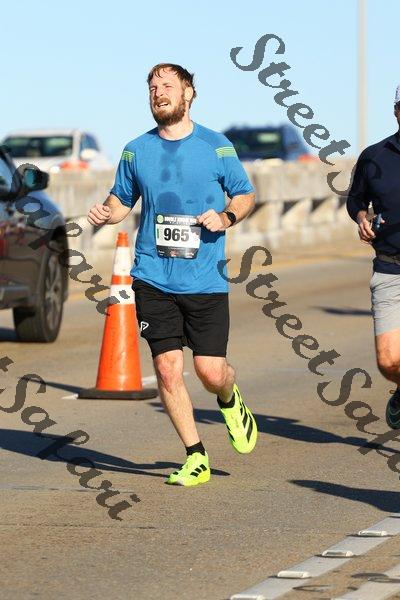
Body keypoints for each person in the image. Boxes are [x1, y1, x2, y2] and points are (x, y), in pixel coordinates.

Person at [87, 63, 258, 486]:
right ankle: (195, 455)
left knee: (211, 371)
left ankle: (229, 397)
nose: (158, 93)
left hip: (204, 278)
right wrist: (106, 213)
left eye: (167, 86)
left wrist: (225, 217)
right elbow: (121, 200)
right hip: (153, 276)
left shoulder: (216, 146)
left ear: (188, 93)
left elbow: (244, 194)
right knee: (167, 369)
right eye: (152, 87)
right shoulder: (135, 150)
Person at [347, 84, 400, 430]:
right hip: (390, 268)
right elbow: (356, 199)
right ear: (396, 111)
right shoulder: (374, 156)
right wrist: (361, 217)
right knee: (388, 361)